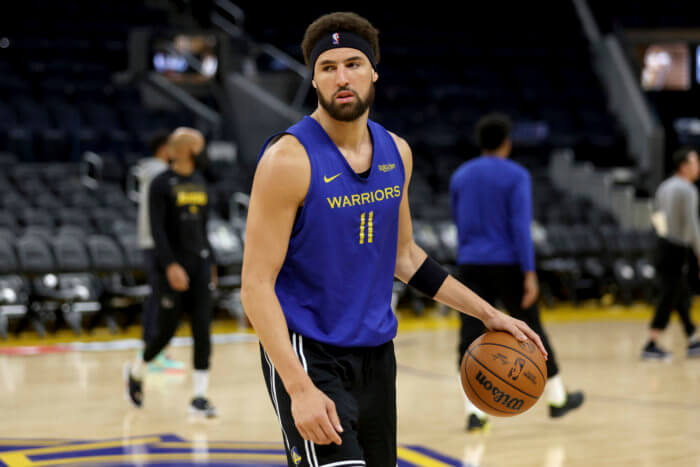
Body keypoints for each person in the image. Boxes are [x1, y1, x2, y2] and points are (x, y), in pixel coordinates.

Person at [240, 12, 547, 466]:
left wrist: (489, 315)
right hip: (310, 352)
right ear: (315, 79)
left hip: (376, 356)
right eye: (328, 68)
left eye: (353, 64)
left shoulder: (395, 152)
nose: (341, 77)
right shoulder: (287, 160)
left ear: (373, 71)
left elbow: (405, 257)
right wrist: (298, 387)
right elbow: (255, 285)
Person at [449, 113, 584, 432]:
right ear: (506, 143)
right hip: (508, 262)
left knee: (469, 336)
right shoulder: (517, 175)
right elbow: (520, 228)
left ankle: (474, 411)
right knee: (533, 330)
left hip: (470, 263)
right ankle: (557, 399)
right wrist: (529, 272)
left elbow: (459, 222)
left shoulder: (460, 176)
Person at [125, 127, 219, 417]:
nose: (204, 153)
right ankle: (137, 371)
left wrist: (211, 263)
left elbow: (203, 228)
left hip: (200, 264)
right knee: (165, 332)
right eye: (200, 147)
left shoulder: (201, 181)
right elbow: (157, 230)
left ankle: (199, 397)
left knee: (203, 329)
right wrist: (170, 266)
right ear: (188, 150)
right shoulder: (161, 183)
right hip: (173, 267)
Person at [642, 146, 700, 360]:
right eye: (695, 163)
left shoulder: (664, 187)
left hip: (663, 245)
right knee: (670, 295)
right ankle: (651, 342)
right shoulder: (688, 189)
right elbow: (693, 225)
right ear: (684, 167)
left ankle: (693, 337)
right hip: (677, 248)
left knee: (679, 293)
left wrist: (664, 236)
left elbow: (656, 215)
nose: (698, 167)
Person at [136, 129, 184, 372]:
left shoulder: (153, 172)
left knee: (157, 297)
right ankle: (153, 353)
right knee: (161, 299)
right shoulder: (160, 174)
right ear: (164, 149)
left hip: (153, 243)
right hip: (158, 244)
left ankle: (153, 351)